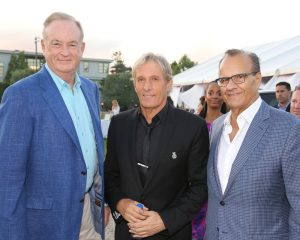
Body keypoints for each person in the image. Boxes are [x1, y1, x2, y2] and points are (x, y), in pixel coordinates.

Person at [0, 12, 105, 240]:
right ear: (44, 45)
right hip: (44, 224)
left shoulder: (90, 90)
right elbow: (7, 178)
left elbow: (93, 152)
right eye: (56, 44)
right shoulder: (20, 95)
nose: (65, 52)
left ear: (82, 48)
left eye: (72, 44)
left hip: (87, 213)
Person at [105, 53, 209, 239]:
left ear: (168, 84)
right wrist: (121, 203)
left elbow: (200, 187)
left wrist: (164, 220)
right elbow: (110, 175)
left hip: (172, 234)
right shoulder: (119, 124)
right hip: (127, 233)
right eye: (141, 79)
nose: (146, 87)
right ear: (134, 83)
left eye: (154, 79)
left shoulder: (193, 127)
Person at [206, 49, 300, 239]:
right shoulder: (217, 127)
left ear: (257, 78)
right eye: (224, 79)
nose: (230, 86)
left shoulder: (289, 128)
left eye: (239, 77)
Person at [192, 81, 226, 239]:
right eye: (211, 92)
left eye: (219, 93)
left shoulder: (230, 123)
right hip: (197, 183)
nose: (215, 97)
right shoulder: (194, 123)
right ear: (205, 96)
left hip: (220, 185)